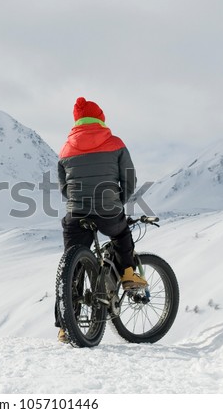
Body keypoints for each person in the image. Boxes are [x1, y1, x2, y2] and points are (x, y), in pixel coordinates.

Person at [56, 97, 147, 343]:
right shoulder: (115, 143)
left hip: (76, 214)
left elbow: (64, 187)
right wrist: (119, 201)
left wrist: (77, 201)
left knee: (71, 268)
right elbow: (129, 179)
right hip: (108, 210)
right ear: (100, 118)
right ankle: (128, 274)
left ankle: (65, 326)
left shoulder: (66, 149)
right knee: (120, 234)